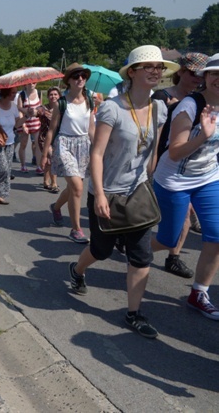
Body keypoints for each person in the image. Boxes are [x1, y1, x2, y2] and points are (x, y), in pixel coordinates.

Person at [69, 45, 175, 339]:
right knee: (101, 250)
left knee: (141, 256)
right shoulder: (112, 108)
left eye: (159, 67)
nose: (156, 71)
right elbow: (98, 154)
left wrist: (151, 181)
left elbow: (152, 150)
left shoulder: (160, 108)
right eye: (149, 67)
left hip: (138, 191)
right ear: (132, 72)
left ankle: (133, 313)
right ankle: (77, 270)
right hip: (108, 192)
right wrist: (100, 194)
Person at [151, 53, 219, 320]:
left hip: (208, 178)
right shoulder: (190, 106)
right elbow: (176, 151)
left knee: (217, 236)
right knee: (168, 238)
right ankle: (135, 245)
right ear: (206, 77)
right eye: (215, 74)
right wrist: (204, 134)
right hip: (174, 180)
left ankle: (198, 293)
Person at [41, 63, 96, 244]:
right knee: (78, 188)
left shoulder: (89, 99)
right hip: (65, 144)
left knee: (74, 187)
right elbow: (52, 129)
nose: (80, 79)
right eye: (75, 76)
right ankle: (76, 229)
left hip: (83, 145)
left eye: (82, 76)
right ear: (69, 81)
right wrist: (44, 154)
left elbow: (91, 127)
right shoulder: (61, 102)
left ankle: (56, 207)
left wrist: (97, 148)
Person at [37, 87, 60, 193]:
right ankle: (54, 183)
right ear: (47, 96)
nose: (53, 96)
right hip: (44, 138)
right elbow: (35, 112)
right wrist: (31, 111)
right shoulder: (43, 108)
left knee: (48, 161)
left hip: (57, 139)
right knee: (51, 158)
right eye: (51, 94)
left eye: (56, 94)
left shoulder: (62, 108)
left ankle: (46, 181)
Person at [17, 83, 42, 173]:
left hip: (36, 122)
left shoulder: (39, 92)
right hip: (25, 121)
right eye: (29, 83)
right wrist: (23, 125)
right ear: (26, 84)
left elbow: (41, 107)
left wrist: (36, 111)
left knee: (38, 144)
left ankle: (39, 166)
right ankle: (23, 165)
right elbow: (19, 109)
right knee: (23, 144)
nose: (32, 84)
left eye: (34, 82)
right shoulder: (22, 95)